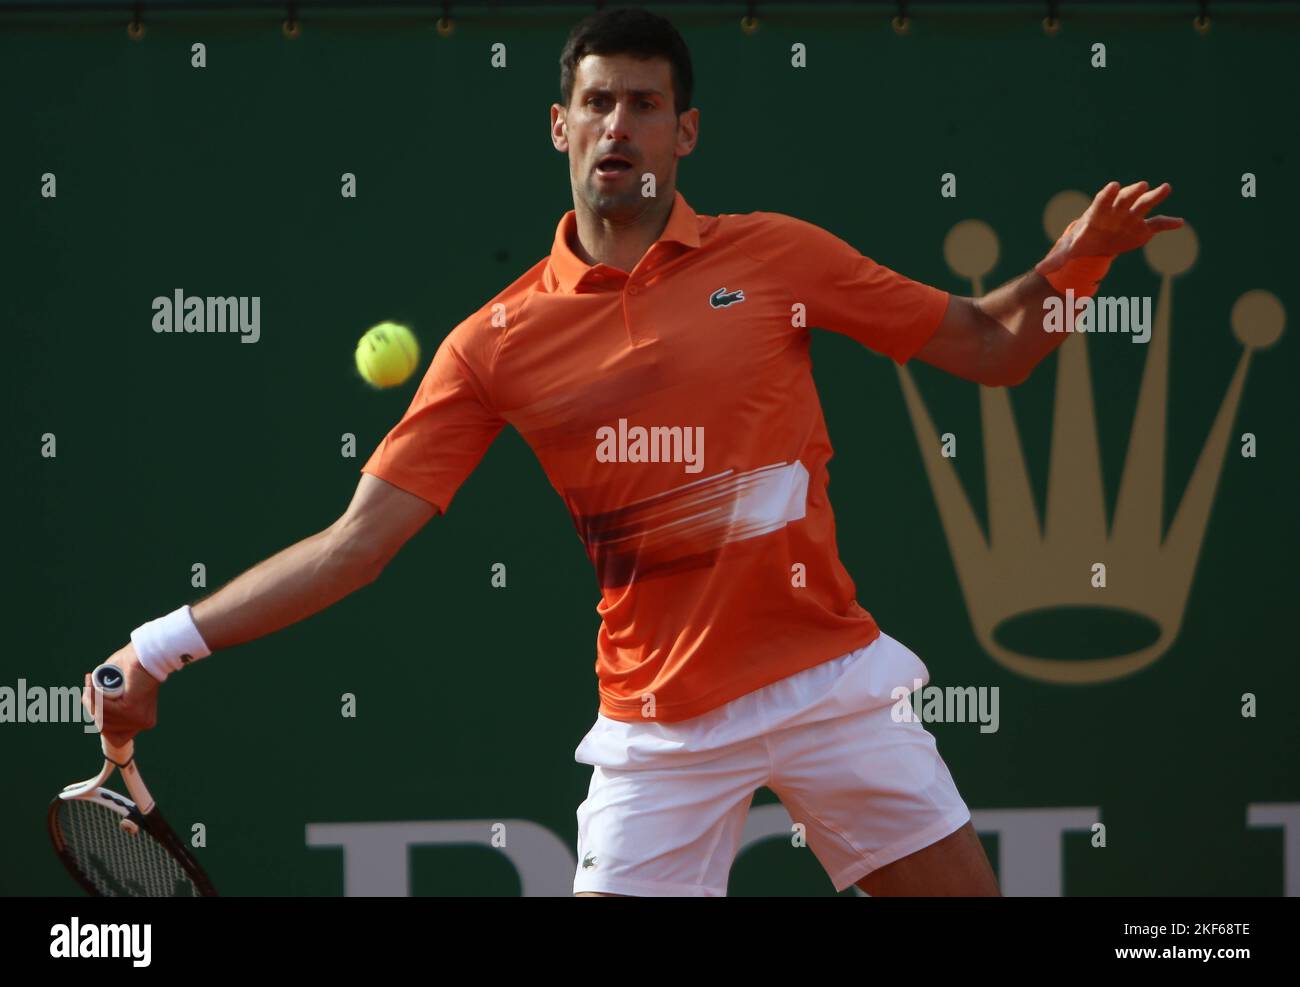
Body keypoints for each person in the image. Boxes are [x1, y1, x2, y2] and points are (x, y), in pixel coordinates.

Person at [84, 6, 1182, 897]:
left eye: (645, 105)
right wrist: (161, 646)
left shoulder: (779, 256)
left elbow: (990, 348)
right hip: (657, 729)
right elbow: (356, 545)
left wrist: (1073, 265)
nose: (620, 125)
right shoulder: (493, 342)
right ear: (558, 126)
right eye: (597, 102)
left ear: (682, 133)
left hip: (827, 683)